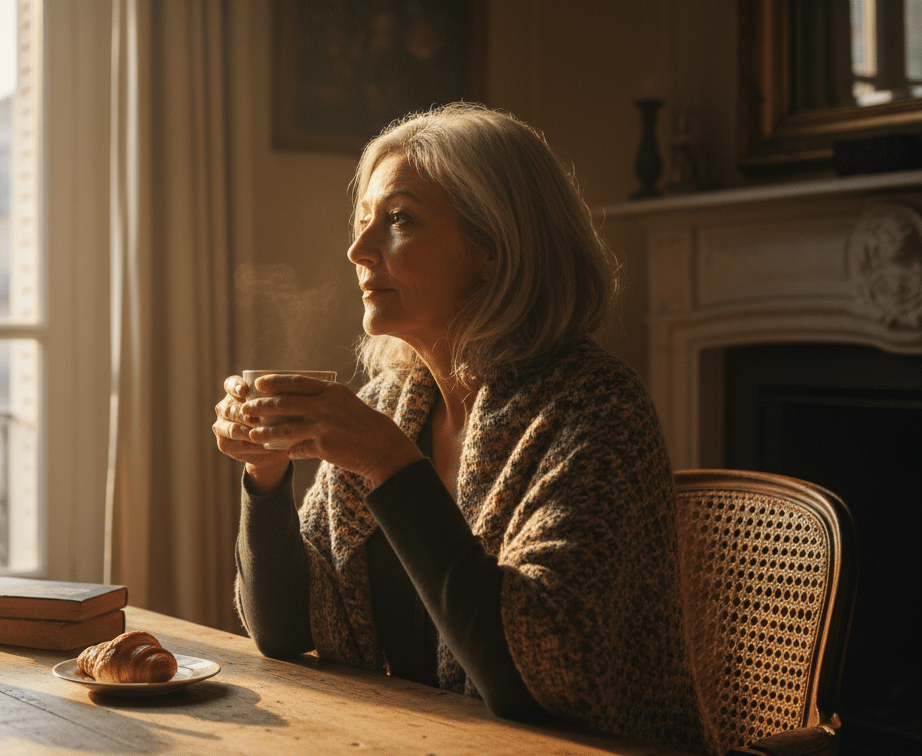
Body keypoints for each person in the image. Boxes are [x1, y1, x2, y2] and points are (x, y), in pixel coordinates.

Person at [213, 103, 712, 754]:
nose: (357, 250)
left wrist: (394, 466)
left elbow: (536, 681)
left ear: (494, 248)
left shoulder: (594, 406)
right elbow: (289, 628)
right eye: (364, 222)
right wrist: (267, 472)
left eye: (399, 220)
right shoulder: (395, 403)